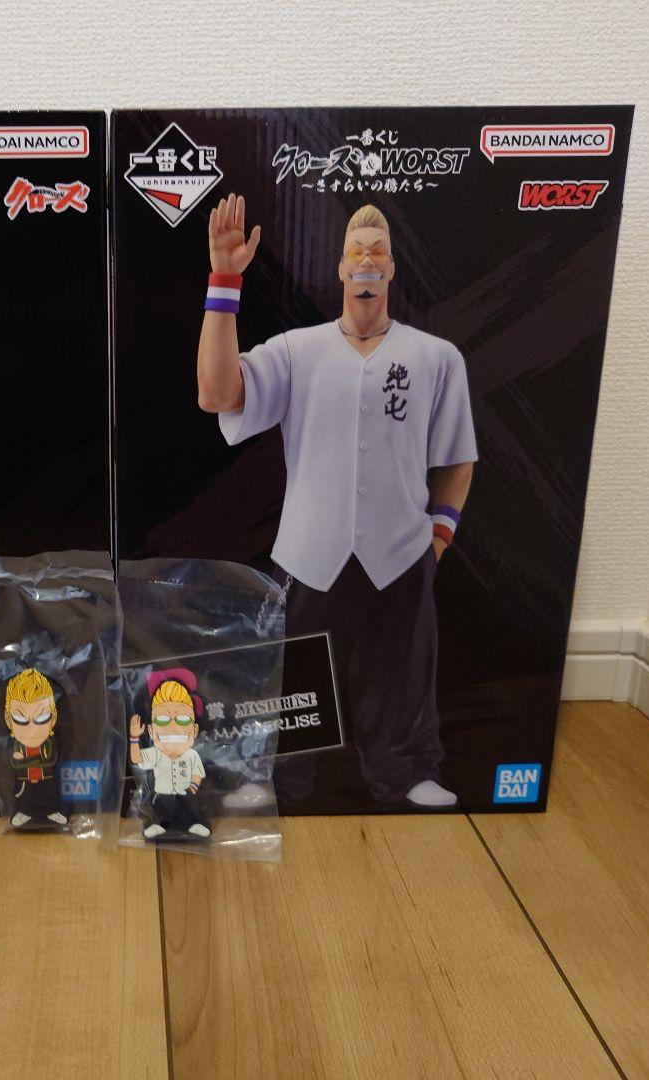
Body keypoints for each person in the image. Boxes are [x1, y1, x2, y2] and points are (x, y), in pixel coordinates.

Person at [197, 196, 477, 808]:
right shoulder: (297, 350)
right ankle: (275, 778)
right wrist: (224, 280)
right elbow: (217, 394)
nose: (368, 261)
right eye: (357, 252)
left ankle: (408, 772)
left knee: (402, 671)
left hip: (402, 550)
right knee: (294, 672)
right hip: (308, 551)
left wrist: (439, 535)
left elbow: (459, 456)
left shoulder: (436, 358)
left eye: (379, 252)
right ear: (341, 267)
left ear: (393, 268)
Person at [129, 669, 211, 839]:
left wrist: (192, 788)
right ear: (151, 730)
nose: (173, 727)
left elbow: (197, 773)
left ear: (194, 730)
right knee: (162, 807)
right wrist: (134, 738)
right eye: (163, 720)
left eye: (183, 719)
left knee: (188, 808)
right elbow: (136, 759)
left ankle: (194, 824)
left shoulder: (191, 755)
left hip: (185, 795)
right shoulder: (156, 753)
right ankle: (158, 825)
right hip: (162, 796)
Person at [4, 668, 68, 829]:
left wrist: (26, 760)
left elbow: (50, 760)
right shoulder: (16, 745)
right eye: (20, 719)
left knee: (49, 794)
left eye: (42, 717)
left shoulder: (50, 742)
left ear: (53, 717)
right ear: (8, 719)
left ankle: (52, 811)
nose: (32, 726)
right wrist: (36, 761)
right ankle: (23, 812)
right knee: (25, 798)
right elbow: (16, 763)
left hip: (46, 777)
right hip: (24, 781)